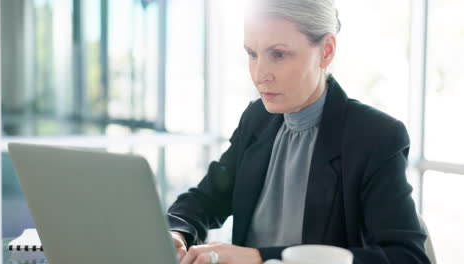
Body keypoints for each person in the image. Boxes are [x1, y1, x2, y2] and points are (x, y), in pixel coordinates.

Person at [167, 0, 430, 263]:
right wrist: (177, 232)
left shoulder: (375, 136)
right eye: (252, 54)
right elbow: (206, 199)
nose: (260, 75)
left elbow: (406, 257)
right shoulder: (256, 119)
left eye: (278, 54)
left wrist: (261, 258)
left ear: (326, 51)